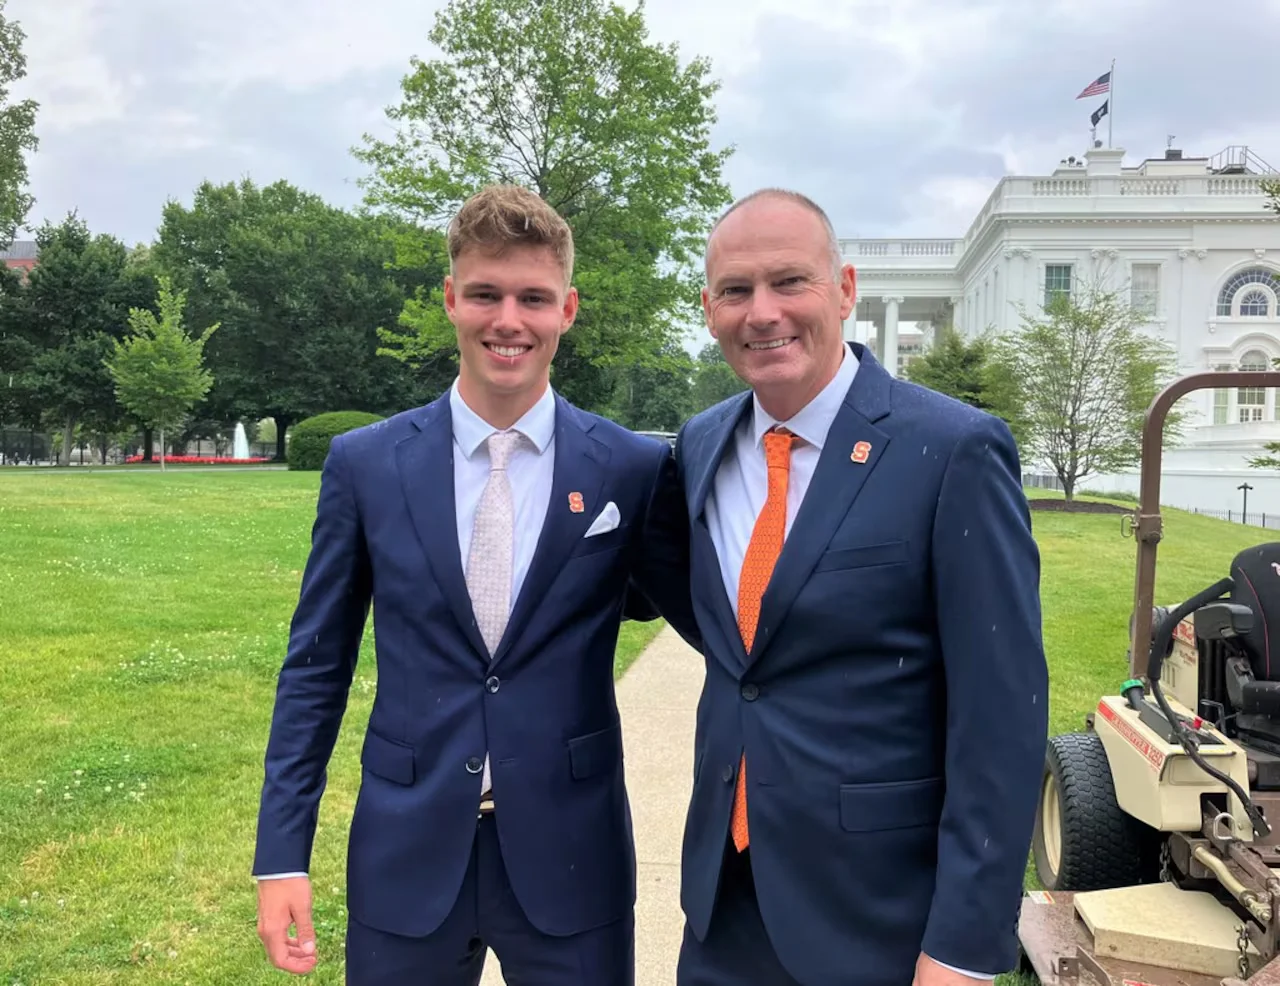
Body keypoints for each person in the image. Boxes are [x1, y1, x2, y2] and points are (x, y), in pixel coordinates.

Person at [251, 183, 696, 985]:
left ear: (569, 309)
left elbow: (711, 623)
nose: (508, 320)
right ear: (452, 299)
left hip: (572, 856)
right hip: (406, 852)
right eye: (486, 294)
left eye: (534, 298)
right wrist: (280, 855)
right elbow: (316, 668)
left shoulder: (631, 468)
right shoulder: (367, 466)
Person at [669, 189, 1048, 986]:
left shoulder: (953, 451)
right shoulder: (700, 447)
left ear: (844, 289)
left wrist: (963, 950)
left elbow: (1002, 720)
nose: (762, 312)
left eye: (789, 282)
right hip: (723, 908)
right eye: (736, 291)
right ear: (709, 310)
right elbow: (739, 654)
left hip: (877, 920)